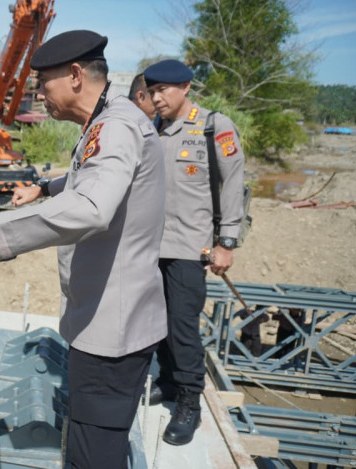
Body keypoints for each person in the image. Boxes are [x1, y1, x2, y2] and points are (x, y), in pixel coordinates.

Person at [0, 30, 167, 469]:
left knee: (92, 457)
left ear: (74, 76)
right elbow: (93, 176)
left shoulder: (116, 126)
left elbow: (91, 207)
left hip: (112, 330)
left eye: (43, 83)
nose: (40, 95)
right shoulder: (108, 118)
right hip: (104, 316)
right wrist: (45, 187)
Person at [144, 59, 246, 446]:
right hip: (150, 244)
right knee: (157, 319)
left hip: (190, 246)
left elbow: (233, 183)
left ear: (185, 87)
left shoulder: (212, 126)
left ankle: (190, 402)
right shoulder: (153, 128)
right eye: (152, 91)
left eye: (163, 90)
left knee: (182, 325)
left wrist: (227, 242)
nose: (157, 98)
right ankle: (169, 382)